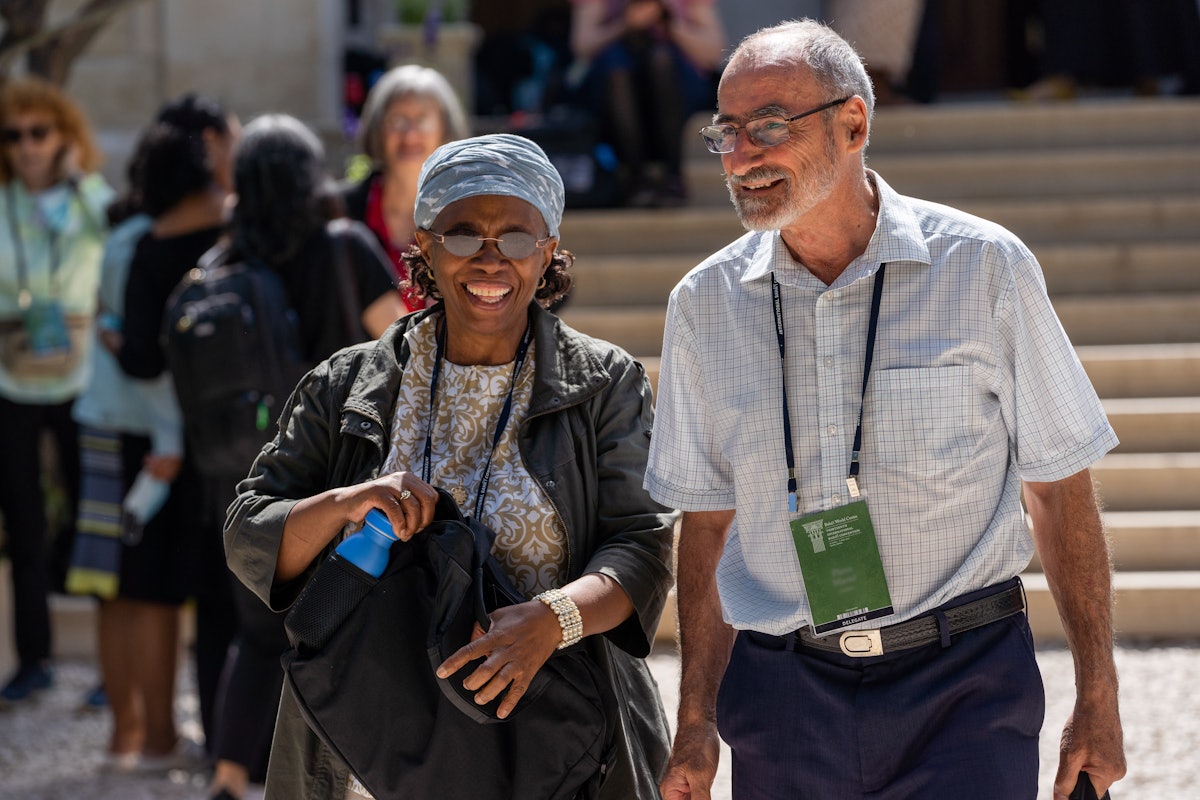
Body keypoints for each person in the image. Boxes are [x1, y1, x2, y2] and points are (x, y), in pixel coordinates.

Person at [645, 19, 1126, 800]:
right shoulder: (703, 306)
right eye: (726, 133)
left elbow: (1057, 487)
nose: (740, 156)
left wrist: (1098, 699)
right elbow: (707, 521)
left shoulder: (984, 268)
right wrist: (695, 718)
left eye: (768, 126)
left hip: (963, 686)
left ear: (854, 124)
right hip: (782, 696)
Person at [224, 133, 674, 799]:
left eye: (517, 238)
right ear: (426, 246)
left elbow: (641, 542)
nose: (490, 260)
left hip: (553, 745)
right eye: (463, 235)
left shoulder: (605, 383)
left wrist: (555, 619)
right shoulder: (346, 383)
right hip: (365, 752)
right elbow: (249, 531)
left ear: (547, 251)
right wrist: (349, 503)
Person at [200, 113, 403, 800]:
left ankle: (229, 776)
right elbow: (405, 345)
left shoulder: (224, 266)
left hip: (249, 478)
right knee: (345, 636)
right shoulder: (345, 245)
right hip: (344, 474)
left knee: (259, 634)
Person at [104, 92, 239, 768]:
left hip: (156, 445)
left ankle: (155, 736)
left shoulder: (142, 244)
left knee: (152, 590)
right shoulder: (243, 234)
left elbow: (138, 356)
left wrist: (109, 339)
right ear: (210, 146)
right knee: (227, 597)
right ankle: (236, 747)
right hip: (236, 442)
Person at [66, 127, 188, 772]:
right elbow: (151, 361)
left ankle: (124, 737)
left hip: (101, 419)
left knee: (112, 588)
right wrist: (171, 440)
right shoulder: (151, 243)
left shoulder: (123, 233)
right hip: (146, 429)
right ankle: (159, 739)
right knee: (153, 587)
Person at [0, 77, 112, 707]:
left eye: (40, 133)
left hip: (82, 374)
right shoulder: (2, 201)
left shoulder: (87, 198)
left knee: (91, 516)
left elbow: (119, 232)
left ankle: (110, 666)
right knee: (23, 517)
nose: (27, 147)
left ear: (65, 138)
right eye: (14, 136)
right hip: (11, 376)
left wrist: (80, 178)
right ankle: (33, 660)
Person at [568, 0, 726, 207]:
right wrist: (626, 24)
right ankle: (636, 177)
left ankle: (672, 175)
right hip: (614, 87)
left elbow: (712, 53)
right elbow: (583, 47)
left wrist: (668, 23)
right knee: (616, 66)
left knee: (661, 58)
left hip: (676, 86)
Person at [339, 64, 469, 311]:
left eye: (423, 120)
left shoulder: (467, 212)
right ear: (377, 129)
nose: (410, 135)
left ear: (445, 130)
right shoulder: (342, 210)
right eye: (397, 121)